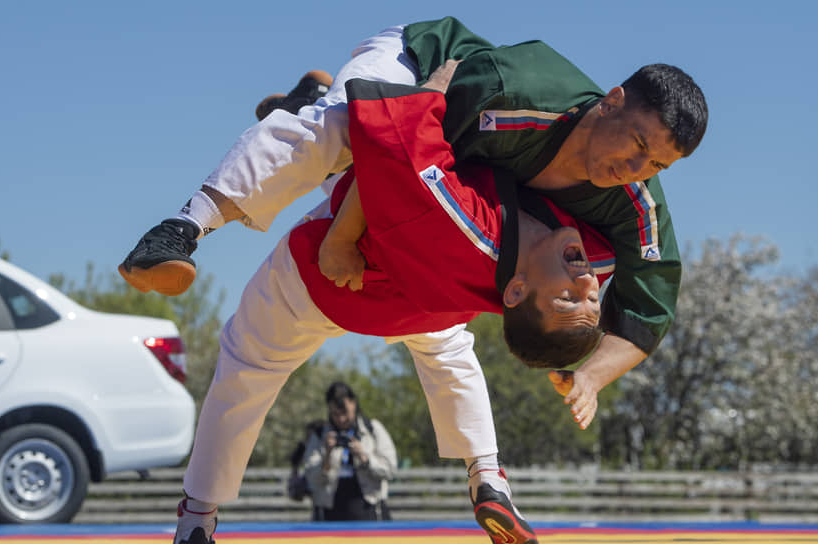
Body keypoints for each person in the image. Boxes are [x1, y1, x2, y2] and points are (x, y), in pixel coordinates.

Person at [119, 16, 708, 433]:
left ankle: (304, 96)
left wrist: (591, 378)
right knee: (336, 131)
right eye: (635, 144)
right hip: (417, 67)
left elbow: (650, 309)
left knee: (346, 149)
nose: (634, 169)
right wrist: (340, 238)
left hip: (424, 150)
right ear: (610, 100)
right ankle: (181, 229)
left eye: (656, 163)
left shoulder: (635, 201)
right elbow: (394, 152)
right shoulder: (516, 92)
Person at [172, 77, 618, 544]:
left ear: (518, 291)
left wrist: (435, 87)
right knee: (451, 353)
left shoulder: (466, 214)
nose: (588, 282)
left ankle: (198, 514)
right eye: (591, 295)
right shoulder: (585, 255)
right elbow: (641, 261)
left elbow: (387, 146)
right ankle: (487, 472)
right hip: (429, 305)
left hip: (333, 276)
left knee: (248, 367)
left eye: (572, 296)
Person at [299, 382, 397, 521]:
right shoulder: (320, 435)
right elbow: (311, 477)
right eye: (335, 414)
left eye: (345, 412)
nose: (341, 419)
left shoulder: (372, 429)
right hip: (329, 512)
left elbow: (391, 469)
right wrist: (326, 456)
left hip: (369, 510)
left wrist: (365, 458)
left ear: (354, 403)